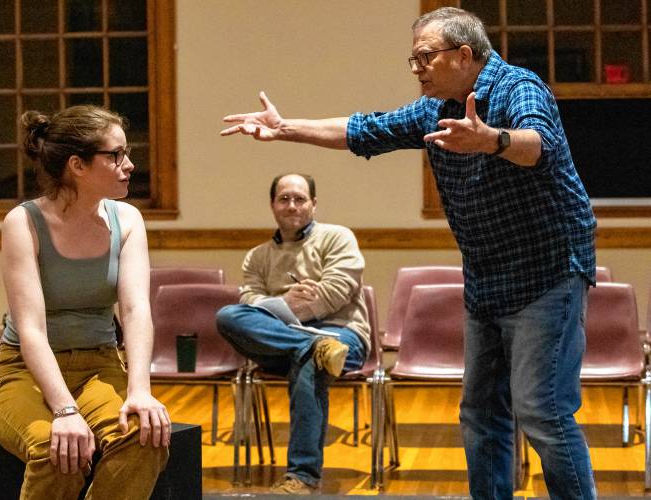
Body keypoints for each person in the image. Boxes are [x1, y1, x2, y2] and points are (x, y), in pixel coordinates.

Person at [220, 7, 597, 499]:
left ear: (464, 56)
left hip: (549, 272)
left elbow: (537, 145)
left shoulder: (516, 87)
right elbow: (362, 130)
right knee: (481, 414)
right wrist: (285, 128)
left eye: (425, 57)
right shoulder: (434, 108)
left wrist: (490, 139)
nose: (416, 68)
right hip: (488, 277)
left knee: (542, 410)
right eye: (412, 59)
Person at [0, 105, 169, 499]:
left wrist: (140, 389)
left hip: (99, 364)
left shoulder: (128, 220)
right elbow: (31, 329)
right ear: (77, 165)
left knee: (145, 437)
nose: (129, 165)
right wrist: (65, 411)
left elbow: (136, 310)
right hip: (25, 370)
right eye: (116, 155)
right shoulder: (23, 222)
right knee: (56, 450)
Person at [216, 173, 370, 495]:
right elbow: (248, 303)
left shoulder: (338, 238)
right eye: (284, 198)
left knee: (311, 363)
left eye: (299, 198)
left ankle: (302, 477)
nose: (292, 205)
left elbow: (335, 293)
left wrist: (273, 308)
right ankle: (314, 345)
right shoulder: (257, 256)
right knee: (228, 316)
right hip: (286, 342)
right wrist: (285, 303)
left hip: (344, 335)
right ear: (273, 205)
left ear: (314, 203)